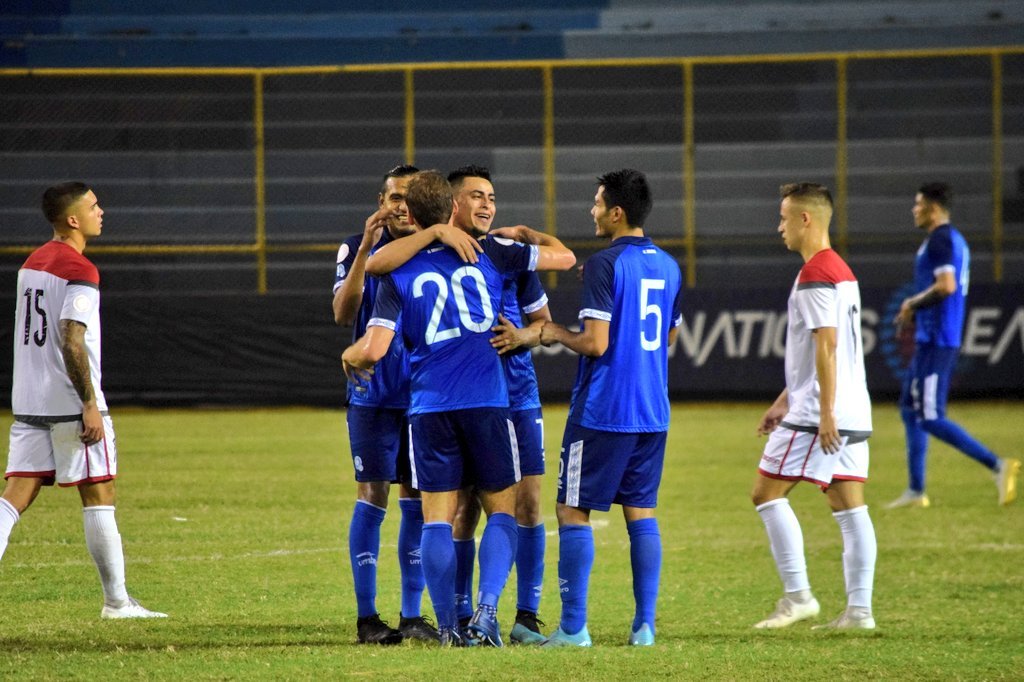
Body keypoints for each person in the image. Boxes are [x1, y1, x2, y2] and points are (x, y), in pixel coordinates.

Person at [342, 170, 575, 647]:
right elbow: (566, 258)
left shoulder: (396, 271)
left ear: (414, 215)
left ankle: (449, 626)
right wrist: (527, 237)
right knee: (502, 512)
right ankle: (486, 613)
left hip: (428, 408)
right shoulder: (493, 252)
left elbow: (374, 345)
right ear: (452, 207)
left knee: (436, 519)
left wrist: (352, 354)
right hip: (487, 401)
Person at [0, 182, 166, 620]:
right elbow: (71, 339)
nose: (101, 211)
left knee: (15, 496)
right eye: (93, 206)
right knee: (99, 493)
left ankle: (119, 602)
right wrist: (88, 403)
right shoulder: (80, 269)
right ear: (73, 219)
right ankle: (117, 603)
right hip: (68, 401)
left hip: (29, 398)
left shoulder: (32, 263)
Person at [537, 169, 682, 647]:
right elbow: (668, 337)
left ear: (617, 212)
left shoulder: (604, 264)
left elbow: (595, 344)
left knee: (571, 510)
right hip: (652, 411)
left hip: (604, 409)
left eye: (598, 203)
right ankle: (644, 627)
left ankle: (573, 628)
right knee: (641, 513)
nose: (592, 211)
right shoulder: (669, 265)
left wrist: (553, 332)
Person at [751, 182, 876, 631]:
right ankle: (859, 612)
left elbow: (827, 345)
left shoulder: (816, 273)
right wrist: (782, 401)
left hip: (822, 414)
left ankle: (798, 597)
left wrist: (823, 414)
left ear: (805, 219)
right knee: (849, 506)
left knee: (766, 494)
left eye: (784, 217)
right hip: (853, 408)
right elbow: (817, 353)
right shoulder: (840, 268)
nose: (779, 226)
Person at [442, 165, 551, 645]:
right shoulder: (435, 255)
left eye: (491, 198)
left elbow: (544, 323)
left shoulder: (510, 257)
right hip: (468, 396)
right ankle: (465, 614)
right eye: (477, 197)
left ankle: (525, 616)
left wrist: (524, 336)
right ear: (454, 203)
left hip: (518, 394)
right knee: (465, 507)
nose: (487, 205)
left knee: (528, 503)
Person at [332, 164, 439, 644]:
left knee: (416, 500)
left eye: (410, 198)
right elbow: (343, 314)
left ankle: (412, 615)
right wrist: (364, 252)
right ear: (381, 201)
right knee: (372, 495)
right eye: (395, 197)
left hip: (423, 396)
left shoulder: (434, 250)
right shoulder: (356, 246)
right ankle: (367, 619)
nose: (402, 206)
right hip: (372, 394)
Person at [886, 182, 1020, 509]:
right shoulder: (953, 239)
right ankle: (916, 491)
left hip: (938, 339)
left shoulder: (941, 239)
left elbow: (946, 286)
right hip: (931, 338)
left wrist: (911, 304)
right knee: (910, 408)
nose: (914, 210)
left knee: (930, 416)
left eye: (918, 204)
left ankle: (997, 465)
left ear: (933, 208)